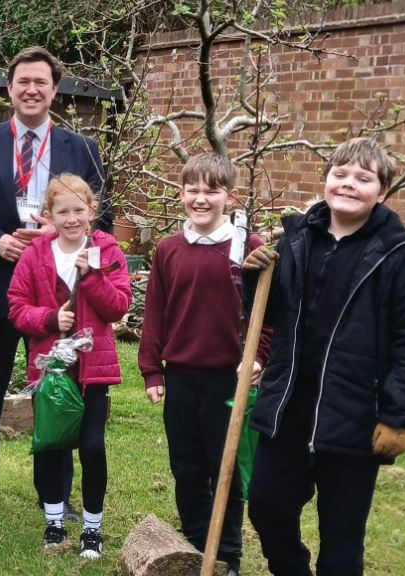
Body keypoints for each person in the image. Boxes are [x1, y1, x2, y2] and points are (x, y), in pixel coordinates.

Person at [242, 137, 405, 576]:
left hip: (355, 415)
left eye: (363, 179)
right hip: (288, 407)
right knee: (267, 508)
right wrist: (253, 281)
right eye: (341, 174)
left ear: (382, 192)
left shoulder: (401, 257)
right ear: (327, 180)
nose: (349, 184)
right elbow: (269, 314)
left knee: (342, 541)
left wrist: (399, 415)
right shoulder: (295, 240)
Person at [0, 45, 107, 520]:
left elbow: (104, 215)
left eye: (41, 82)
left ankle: (54, 495)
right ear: (9, 88)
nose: (31, 89)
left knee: (55, 394)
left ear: (54, 90)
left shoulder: (82, 149)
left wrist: (61, 232)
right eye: (23, 81)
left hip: (57, 297)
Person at [137, 153, 271, 575]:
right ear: (181, 193)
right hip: (180, 374)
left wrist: (259, 355)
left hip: (227, 378)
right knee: (186, 465)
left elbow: (267, 313)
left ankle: (227, 553)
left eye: (211, 190)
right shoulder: (168, 250)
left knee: (223, 466)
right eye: (192, 189)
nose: (200, 198)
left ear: (230, 196)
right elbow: (156, 311)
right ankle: (195, 543)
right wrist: (152, 369)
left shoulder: (248, 248)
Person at [7, 174, 131, 558]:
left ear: (92, 211)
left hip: (92, 370)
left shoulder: (105, 250)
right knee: (51, 447)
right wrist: (48, 320)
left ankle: (92, 528)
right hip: (52, 372)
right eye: (63, 211)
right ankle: (54, 522)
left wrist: (92, 277)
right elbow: (16, 306)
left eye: (80, 210)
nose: (72, 218)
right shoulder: (35, 255)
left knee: (92, 446)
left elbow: (118, 306)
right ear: (49, 214)